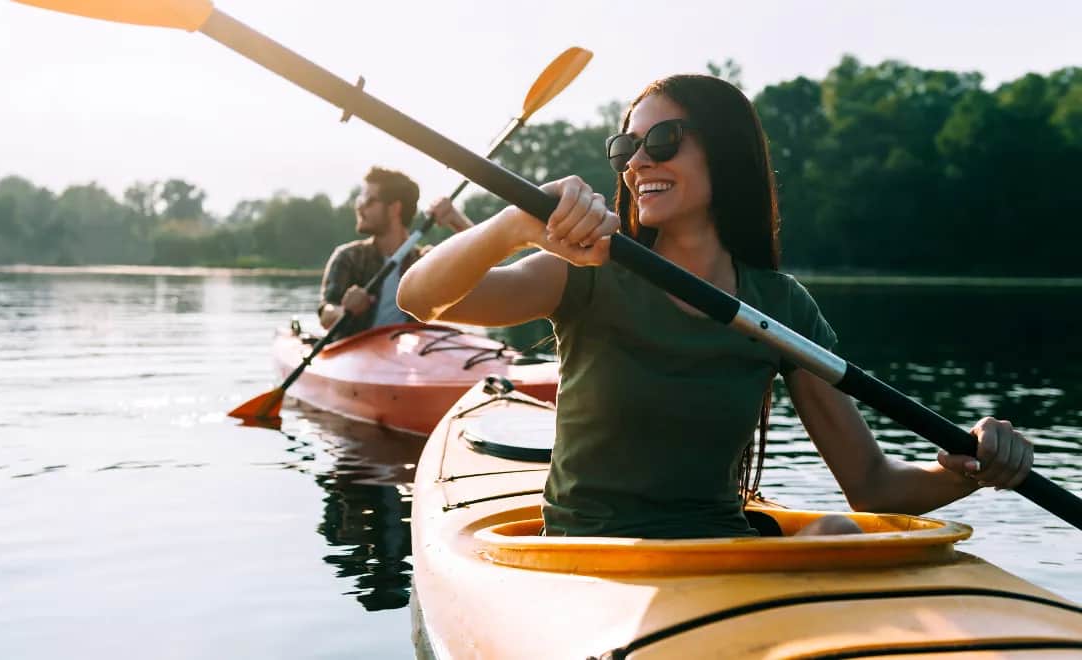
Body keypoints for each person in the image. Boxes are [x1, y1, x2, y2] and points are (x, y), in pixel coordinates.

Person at [396, 74, 1033, 539]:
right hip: (588, 559)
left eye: (664, 140)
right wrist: (513, 224)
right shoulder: (587, 272)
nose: (639, 161)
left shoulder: (781, 308)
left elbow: (870, 484)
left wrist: (972, 468)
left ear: (724, 152)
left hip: (720, 554)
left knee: (838, 530)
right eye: (626, 150)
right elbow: (419, 297)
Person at [318, 166, 472, 338]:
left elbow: (484, 265)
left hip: (405, 358)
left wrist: (456, 220)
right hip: (353, 354)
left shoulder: (424, 263)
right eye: (359, 200)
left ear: (394, 209)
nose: (360, 208)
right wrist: (344, 310)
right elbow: (325, 315)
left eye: (368, 201)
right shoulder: (348, 257)